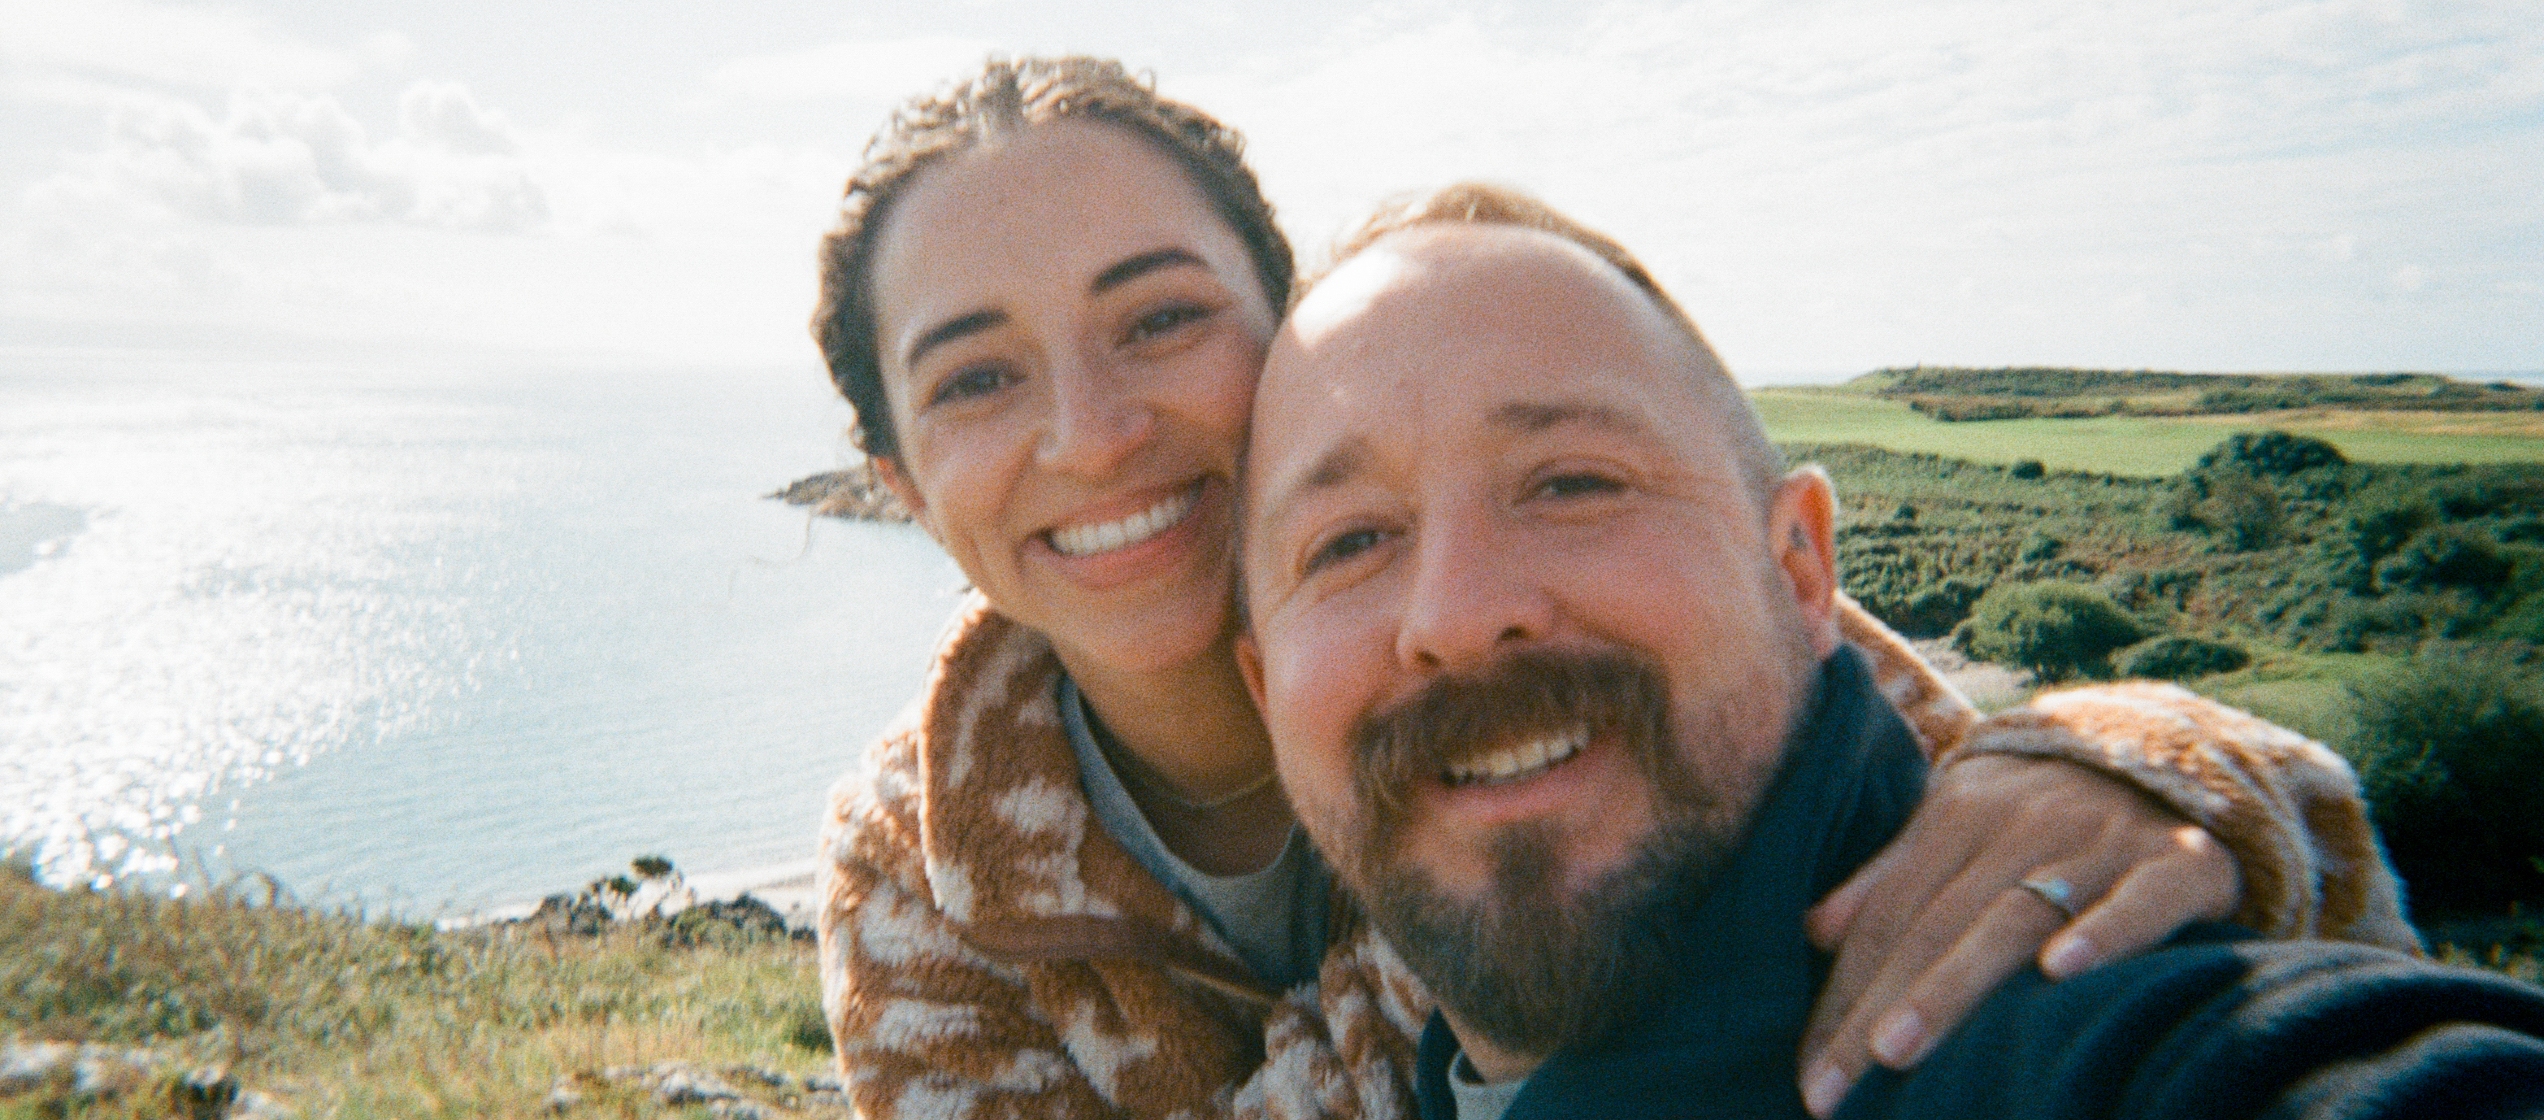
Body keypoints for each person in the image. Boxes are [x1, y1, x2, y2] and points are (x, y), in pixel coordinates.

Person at [808, 57, 2414, 1120]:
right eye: (974, 380)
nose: (1094, 434)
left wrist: (2123, 781)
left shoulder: (1557, 612)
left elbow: (1850, 731)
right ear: (897, 483)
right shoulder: (920, 872)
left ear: (1293, 333)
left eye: (1159, 320)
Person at [1233, 184, 2544, 1120]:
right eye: (1346, 543)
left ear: (1803, 571)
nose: (1457, 611)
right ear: (1261, 694)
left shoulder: (2092, 1040)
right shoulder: (1348, 1074)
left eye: (1573, 479)